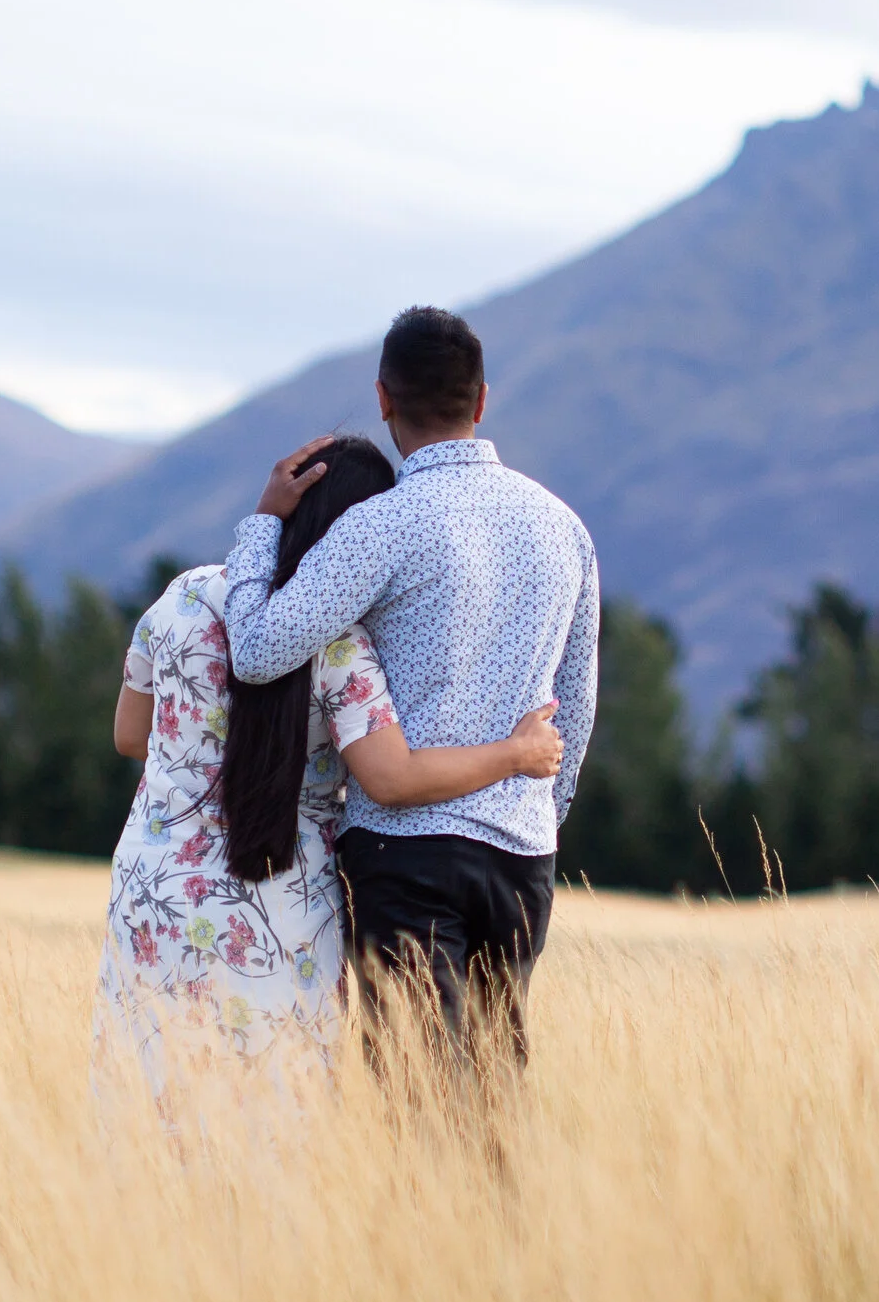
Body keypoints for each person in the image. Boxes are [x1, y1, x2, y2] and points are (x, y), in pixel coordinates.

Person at [94, 435, 562, 1123]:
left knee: (151, 1093)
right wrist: (516, 754)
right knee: (271, 1112)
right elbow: (394, 778)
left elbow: (129, 735)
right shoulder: (341, 645)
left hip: (153, 890)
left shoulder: (181, 598)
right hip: (280, 902)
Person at [222, 306, 599, 1073]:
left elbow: (259, 651)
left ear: (384, 398)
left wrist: (264, 524)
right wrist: (533, 817)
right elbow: (576, 706)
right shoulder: (565, 528)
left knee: (416, 1099)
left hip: (404, 854)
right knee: (494, 1090)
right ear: (482, 399)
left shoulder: (383, 525)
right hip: (522, 855)